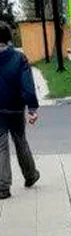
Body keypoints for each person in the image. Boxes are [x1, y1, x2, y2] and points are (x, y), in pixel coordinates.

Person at [0, 23, 39, 200]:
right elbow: (28, 87)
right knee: (20, 141)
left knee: (0, 146)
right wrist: (32, 108)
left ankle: (2, 187)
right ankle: (30, 176)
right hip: (15, 109)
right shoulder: (19, 58)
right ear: (8, 37)